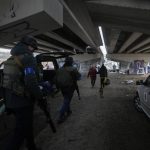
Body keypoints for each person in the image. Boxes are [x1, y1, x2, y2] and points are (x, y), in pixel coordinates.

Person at [3, 35, 43, 150]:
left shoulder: (11, 59)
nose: (33, 51)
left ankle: (31, 146)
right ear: (29, 46)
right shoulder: (28, 58)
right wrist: (39, 96)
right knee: (19, 132)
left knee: (27, 125)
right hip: (22, 101)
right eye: (33, 48)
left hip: (10, 100)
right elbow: (31, 80)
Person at [55, 57, 81, 123]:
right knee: (66, 101)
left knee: (66, 99)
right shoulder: (73, 69)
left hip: (62, 88)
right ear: (71, 62)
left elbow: (56, 78)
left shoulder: (60, 69)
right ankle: (61, 115)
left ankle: (68, 111)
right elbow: (79, 77)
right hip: (70, 87)